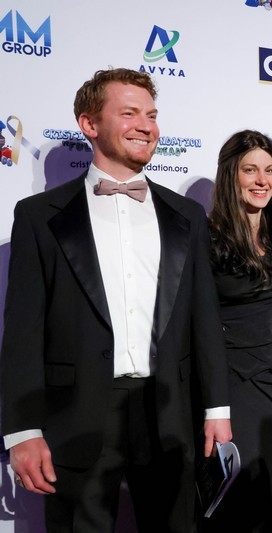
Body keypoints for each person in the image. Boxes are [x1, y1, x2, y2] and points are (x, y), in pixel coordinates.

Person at [0, 67, 231, 532]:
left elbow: (204, 319)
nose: (146, 126)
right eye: (129, 113)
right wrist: (22, 430)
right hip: (77, 416)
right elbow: (23, 330)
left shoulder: (187, 215)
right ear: (89, 124)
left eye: (152, 115)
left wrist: (217, 409)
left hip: (169, 413)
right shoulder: (39, 216)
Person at [203, 130, 272, 531]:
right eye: (250, 170)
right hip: (230, 386)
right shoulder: (206, 239)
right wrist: (212, 404)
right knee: (237, 508)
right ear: (231, 175)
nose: (262, 180)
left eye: (269, 171)